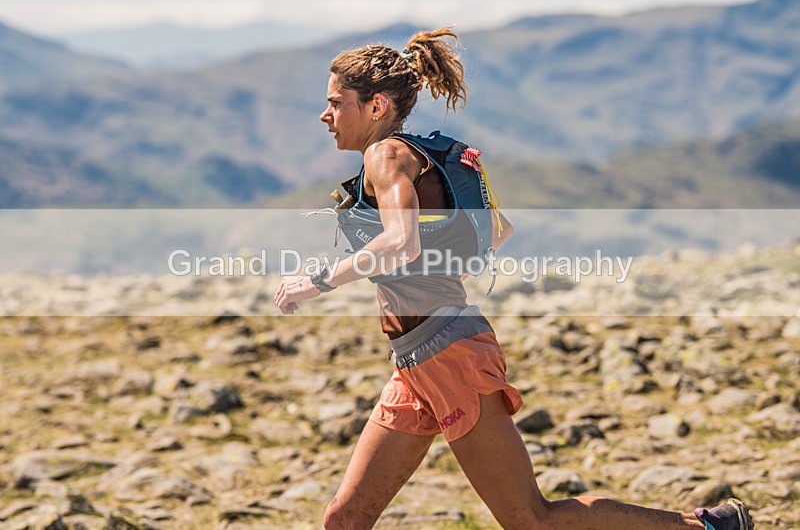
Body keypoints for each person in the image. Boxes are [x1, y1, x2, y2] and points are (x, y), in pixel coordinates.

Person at [273, 27, 754, 530]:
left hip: (449, 354)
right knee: (346, 518)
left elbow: (401, 241)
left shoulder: (385, 155)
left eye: (335, 103)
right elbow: (496, 232)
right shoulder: (418, 153)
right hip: (416, 362)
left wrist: (318, 280)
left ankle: (707, 526)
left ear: (375, 106)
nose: (324, 116)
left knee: (531, 519)